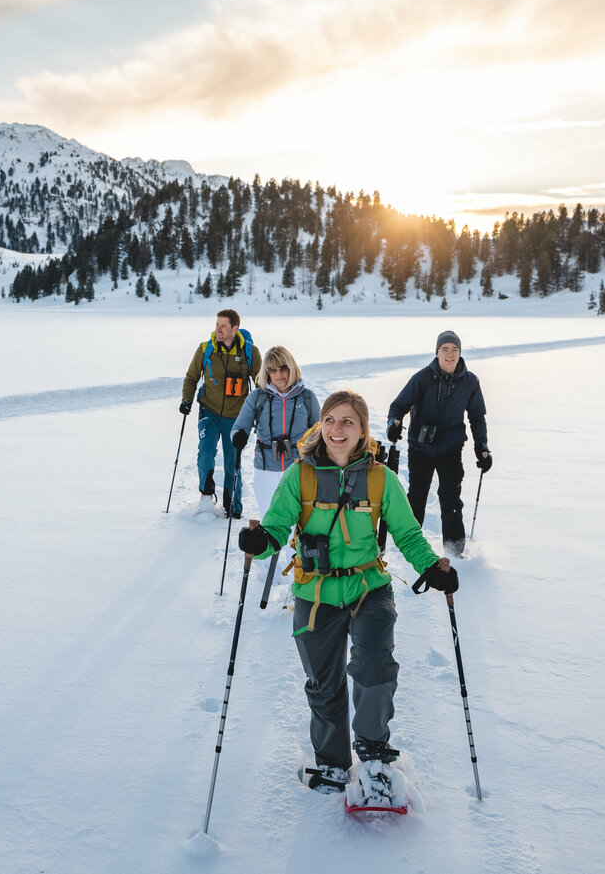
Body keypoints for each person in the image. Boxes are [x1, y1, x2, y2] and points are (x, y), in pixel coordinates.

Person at [237, 390, 458, 797]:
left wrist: (430, 567)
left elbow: (408, 533)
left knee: (374, 668)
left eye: (348, 422)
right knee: (323, 683)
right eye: (331, 420)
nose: (337, 430)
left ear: (362, 431)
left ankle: (373, 752)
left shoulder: (380, 479)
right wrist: (258, 542)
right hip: (314, 592)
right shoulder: (299, 476)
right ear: (321, 425)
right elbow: (275, 530)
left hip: (367, 588)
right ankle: (332, 764)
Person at [386, 330, 491, 558]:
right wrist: (393, 423)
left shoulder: (470, 382)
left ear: (460, 353)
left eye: (454, 349)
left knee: (451, 498)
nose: (450, 354)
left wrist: (481, 447)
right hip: (420, 447)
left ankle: (454, 552)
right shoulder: (423, 377)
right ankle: (409, 545)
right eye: (445, 349)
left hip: (451, 449)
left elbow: (477, 417)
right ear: (437, 352)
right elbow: (398, 406)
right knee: (416, 496)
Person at [180, 309, 261, 518]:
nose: (218, 329)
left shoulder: (250, 353)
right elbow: (191, 378)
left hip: (236, 416)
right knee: (206, 452)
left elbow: (262, 384)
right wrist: (187, 400)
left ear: (235, 328)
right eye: (217, 324)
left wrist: (261, 409)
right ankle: (206, 497)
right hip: (210, 410)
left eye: (223, 326)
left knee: (232, 460)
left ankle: (232, 503)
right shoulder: (206, 349)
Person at [230, 345, 320, 518]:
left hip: (299, 470)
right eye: (272, 370)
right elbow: (239, 426)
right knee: (270, 521)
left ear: (292, 368)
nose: (279, 375)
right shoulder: (257, 397)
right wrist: (239, 436)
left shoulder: (308, 398)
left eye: (283, 368)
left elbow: (320, 431)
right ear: (266, 372)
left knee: (298, 523)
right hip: (265, 470)